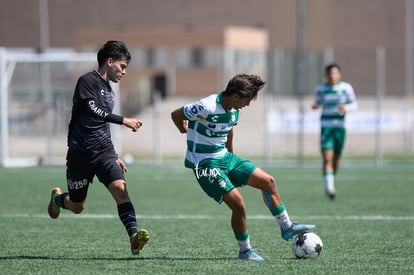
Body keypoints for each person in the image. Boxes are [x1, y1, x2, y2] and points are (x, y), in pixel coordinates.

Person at [171, 73, 315, 261]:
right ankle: (245, 251)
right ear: (236, 96)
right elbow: (176, 114)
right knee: (239, 204)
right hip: (204, 163)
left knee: (268, 182)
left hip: (225, 157)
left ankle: (286, 226)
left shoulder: (234, 109)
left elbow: (229, 131)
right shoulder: (206, 106)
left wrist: (232, 157)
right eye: (247, 100)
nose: (247, 105)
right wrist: (183, 128)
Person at [47, 40, 149, 255]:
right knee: (77, 206)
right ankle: (57, 199)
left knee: (121, 189)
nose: (124, 72)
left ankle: (133, 236)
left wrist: (114, 155)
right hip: (80, 155)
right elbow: (90, 109)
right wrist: (123, 120)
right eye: (122, 66)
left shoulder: (110, 91)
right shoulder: (87, 81)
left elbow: (101, 125)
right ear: (109, 61)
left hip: (104, 153)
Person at [311, 63, 358, 200]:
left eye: (335, 73)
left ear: (339, 74)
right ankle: (330, 188)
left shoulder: (346, 88)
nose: (333, 76)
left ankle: (330, 180)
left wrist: (346, 108)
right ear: (327, 75)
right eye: (330, 73)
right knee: (327, 159)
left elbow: (354, 104)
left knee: (336, 160)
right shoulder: (321, 89)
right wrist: (315, 105)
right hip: (326, 127)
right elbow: (318, 102)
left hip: (340, 127)